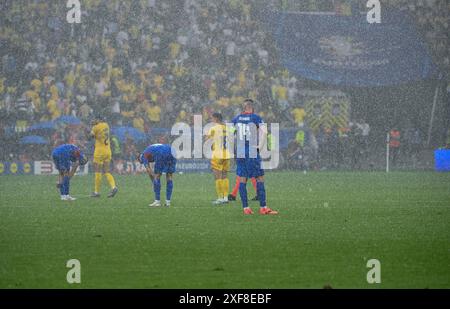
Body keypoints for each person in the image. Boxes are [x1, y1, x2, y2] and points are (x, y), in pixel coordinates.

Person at [232, 99, 278, 215]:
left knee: (242, 179)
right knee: (259, 178)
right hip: (252, 151)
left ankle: (246, 208)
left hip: (240, 152)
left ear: (243, 108)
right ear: (252, 108)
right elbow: (264, 132)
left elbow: (229, 135)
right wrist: (260, 146)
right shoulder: (256, 118)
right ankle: (263, 207)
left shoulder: (236, 119)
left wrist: (234, 150)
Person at [89, 115, 118, 198]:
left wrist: (92, 127)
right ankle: (113, 187)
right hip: (108, 150)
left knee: (97, 171)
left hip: (99, 151)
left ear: (98, 119)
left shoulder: (96, 127)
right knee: (107, 171)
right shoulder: (106, 125)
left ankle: (96, 192)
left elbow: (90, 137)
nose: (94, 120)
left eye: (95, 119)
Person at [206, 113, 231, 205]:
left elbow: (207, 140)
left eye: (212, 118)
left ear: (216, 119)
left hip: (217, 154)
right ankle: (225, 197)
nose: (211, 120)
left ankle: (220, 198)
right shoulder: (228, 128)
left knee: (217, 176)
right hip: (227, 154)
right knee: (225, 176)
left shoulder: (213, 128)